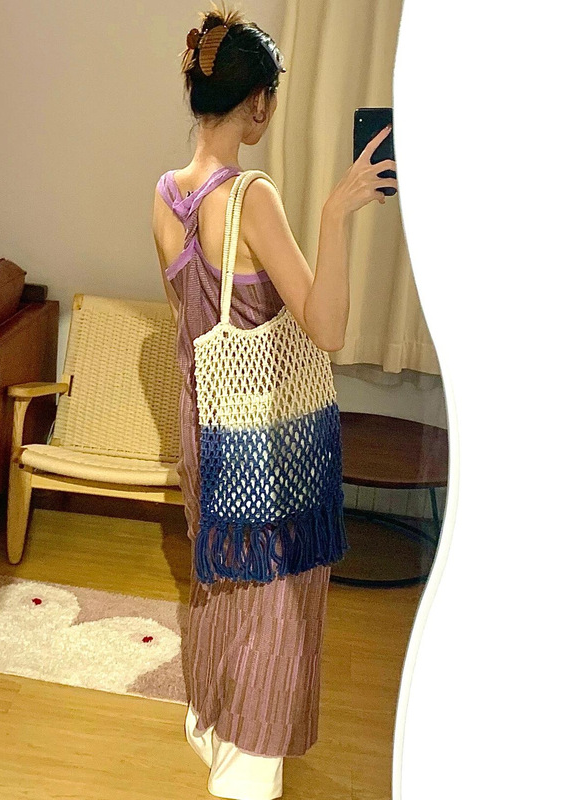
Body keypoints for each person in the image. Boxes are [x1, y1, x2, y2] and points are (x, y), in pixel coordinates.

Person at [152, 3, 397, 798]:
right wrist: (335, 215)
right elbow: (326, 327)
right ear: (258, 102)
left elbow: (197, 318)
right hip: (263, 440)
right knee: (277, 608)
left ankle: (214, 723)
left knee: (223, 586)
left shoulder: (166, 195)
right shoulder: (250, 197)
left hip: (205, 428)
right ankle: (246, 769)